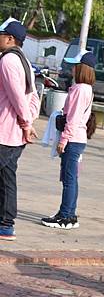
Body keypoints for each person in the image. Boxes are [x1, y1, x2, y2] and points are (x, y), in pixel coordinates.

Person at [41, 52, 96, 229]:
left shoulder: (80, 89)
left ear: (82, 68)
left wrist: (63, 141)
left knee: (69, 178)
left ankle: (65, 216)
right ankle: (69, 213)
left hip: (72, 139)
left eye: (75, 65)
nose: (72, 68)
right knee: (70, 178)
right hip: (77, 138)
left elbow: (72, 118)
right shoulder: (84, 89)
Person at [0, 17, 39, 241]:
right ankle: (6, 224)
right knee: (7, 179)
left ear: (9, 38)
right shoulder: (23, 60)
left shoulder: (8, 62)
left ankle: (6, 223)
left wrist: (26, 123)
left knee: (6, 179)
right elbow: (32, 95)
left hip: (6, 132)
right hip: (14, 133)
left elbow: (17, 97)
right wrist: (29, 121)